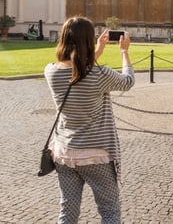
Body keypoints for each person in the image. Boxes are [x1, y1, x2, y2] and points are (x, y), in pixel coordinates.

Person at [44, 16, 134, 223]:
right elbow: (128, 81)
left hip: (64, 153)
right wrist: (124, 51)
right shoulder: (99, 74)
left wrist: (99, 51)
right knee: (110, 211)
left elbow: (77, 72)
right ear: (87, 40)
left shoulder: (50, 71)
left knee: (67, 210)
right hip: (96, 153)